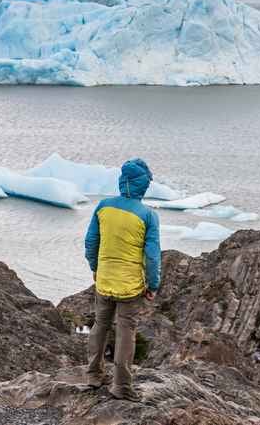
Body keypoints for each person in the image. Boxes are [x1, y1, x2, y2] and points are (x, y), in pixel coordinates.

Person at [83, 157, 161, 401]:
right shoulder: (148, 215)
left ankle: (93, 375)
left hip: (104, 280)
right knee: (126, 330)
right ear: (143, 185)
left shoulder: (103, 206)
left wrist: (96, 268)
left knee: (100, 324)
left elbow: (90, 243)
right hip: (130, 287)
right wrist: (153, 284)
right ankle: (122, 386)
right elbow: (152, 256)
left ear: (122, 181)